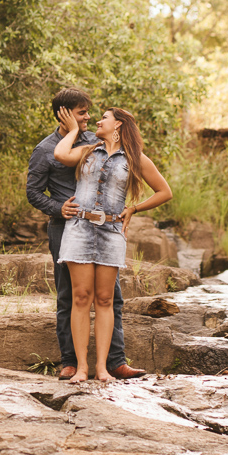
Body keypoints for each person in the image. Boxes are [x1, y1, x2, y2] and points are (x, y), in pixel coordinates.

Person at [26, 88, 141, 381]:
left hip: (100, 227)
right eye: (81, 112)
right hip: (64, 226)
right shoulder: (45, 149)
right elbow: (33, 192)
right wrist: (57, 207)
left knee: (110, 297)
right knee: (70, 295)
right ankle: (70, 362)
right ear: (63, 115)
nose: (88, 117)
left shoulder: (94, 142)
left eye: (90, 112)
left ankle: (115, 361)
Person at [54, 106, 173, 383]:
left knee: (106, 300)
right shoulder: (87, 150)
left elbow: (165, 192)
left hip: (111, 231)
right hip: (80, 228)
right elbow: (60, 154)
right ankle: (82, 368)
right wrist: (73, 130)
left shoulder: (135, 159)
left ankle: (102, 369)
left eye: (104, 118)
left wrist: (134, 208)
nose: (98, 121)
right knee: (81, 297)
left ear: (118, 125)